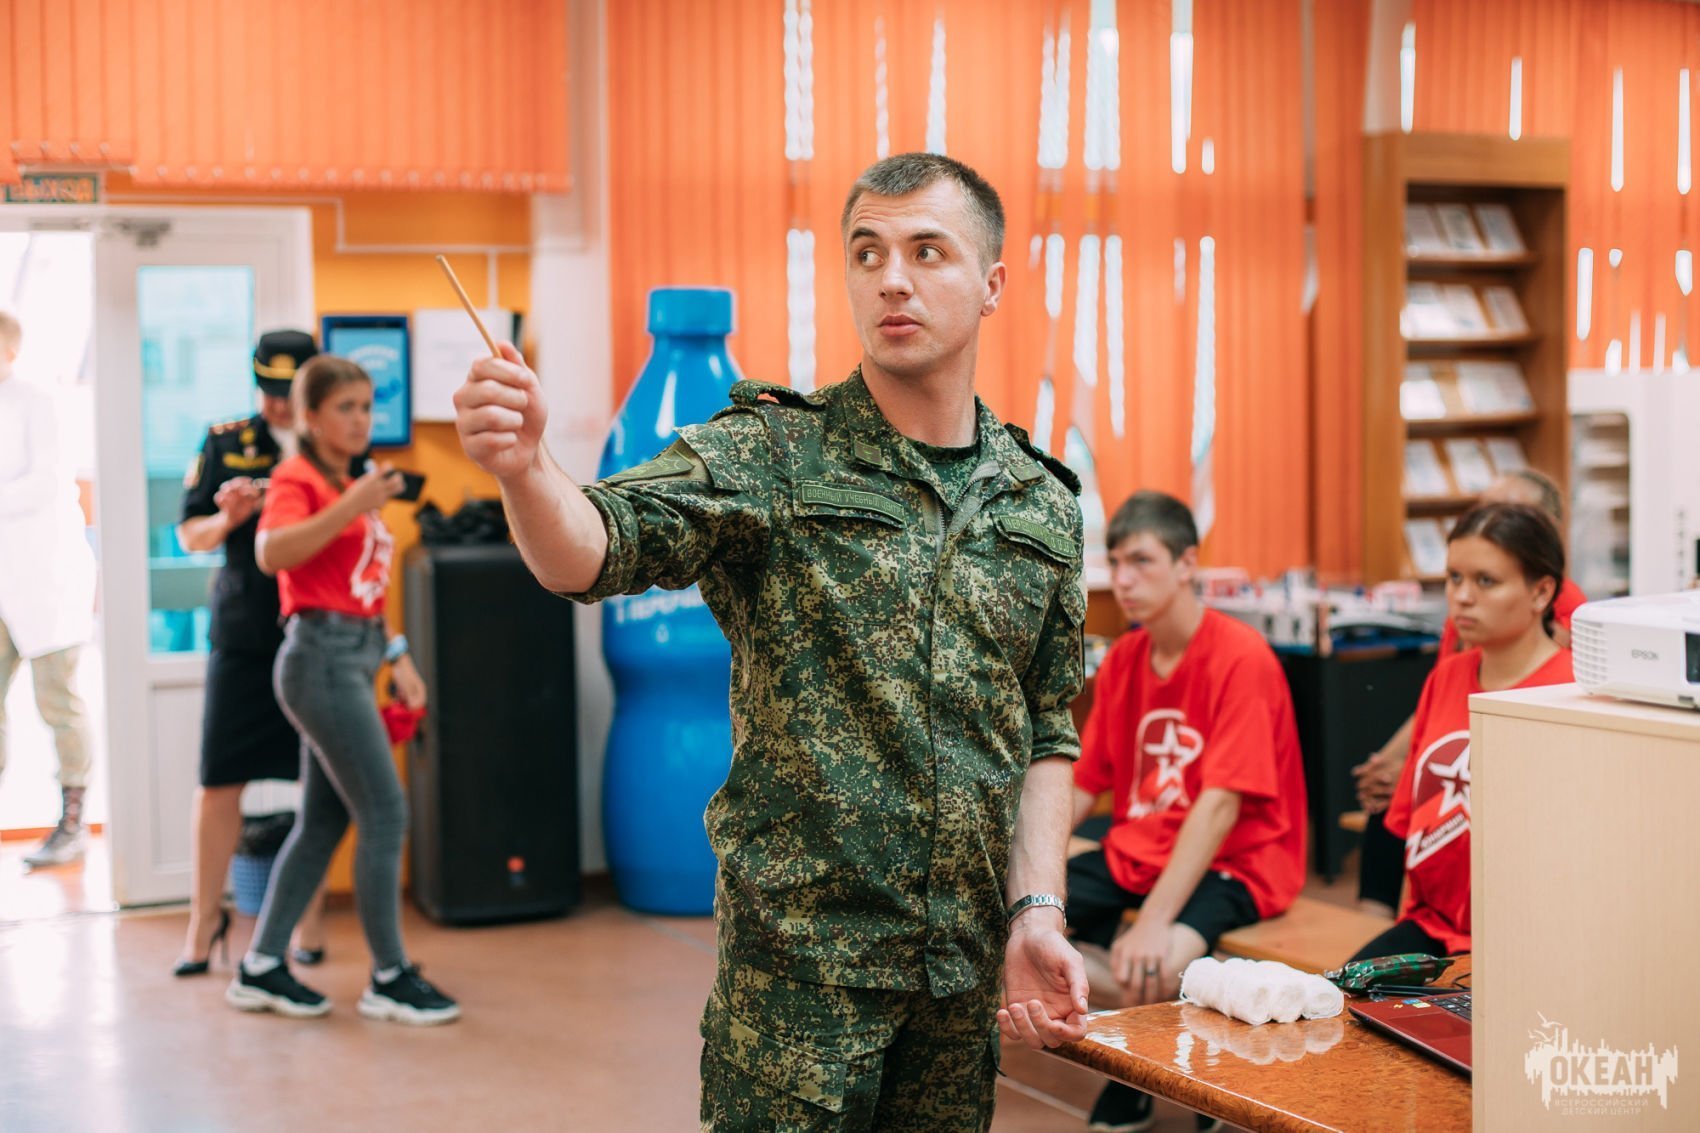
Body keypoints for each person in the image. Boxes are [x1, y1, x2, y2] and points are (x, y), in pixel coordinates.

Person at [454, 153, 1088, 1129]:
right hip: (799, 993)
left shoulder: (1038, 501)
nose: (891, 278)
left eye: (927, 251)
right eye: (867, 253)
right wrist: (526, 466)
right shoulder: (773, 455)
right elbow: (589, 549)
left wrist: (1035, 908)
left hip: (957, 988)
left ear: (992, 283)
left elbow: (1046, 728)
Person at [1067, 491, 1306, 1133]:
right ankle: (1150, 1047)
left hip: (1239, 859)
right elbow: (1084, 782)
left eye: (1141, 561)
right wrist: (1031, 883)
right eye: (1116, 563)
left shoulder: (1241, 657)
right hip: (1142, 848)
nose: (1123, 580)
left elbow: (1220, 806)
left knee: (1161, 960)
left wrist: (1153, 920)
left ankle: (1166, 1073)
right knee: (1013, 932)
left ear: (1187, 563)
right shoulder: (1125, 658)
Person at [224, 355, 450, 1025]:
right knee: (385, 811)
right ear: (312, 416)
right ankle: (389, 977)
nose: (359, 420)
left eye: (366, 407)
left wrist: (397, 655)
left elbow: (363, 585)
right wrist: (354, 503)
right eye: (345, 407)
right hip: (319, 660)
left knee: (324, 820)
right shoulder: (298, 477)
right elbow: (271, 552)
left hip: (355, 654)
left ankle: (261, 965)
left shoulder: (354, 481)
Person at [1348, 502, 1573, 962]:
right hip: (1432, 927)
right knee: (1342, 998)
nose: (1463, 597)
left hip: (1531, 936)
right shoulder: (1447, 677)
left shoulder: (1572, 690)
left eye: (1486, 581)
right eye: (1454, 578)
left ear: (1541, 592)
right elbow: (1413, 829)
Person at [173, 330, 328, 976]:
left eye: (285, 392)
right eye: (266, 390)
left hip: (314, 632)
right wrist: (228, 519)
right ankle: (204, 921)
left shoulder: (333, 446)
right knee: (218, 781)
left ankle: (307, 923)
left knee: (317, 782)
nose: (274, 405)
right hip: (242, 634)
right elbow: (190, 535)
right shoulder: (226, 441)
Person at [0, 310, 98, 869]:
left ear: (10, 351)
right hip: (4, 582)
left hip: (46, 582)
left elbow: (46, 481)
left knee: (57, 703)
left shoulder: (40, 402)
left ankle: (72, 824)